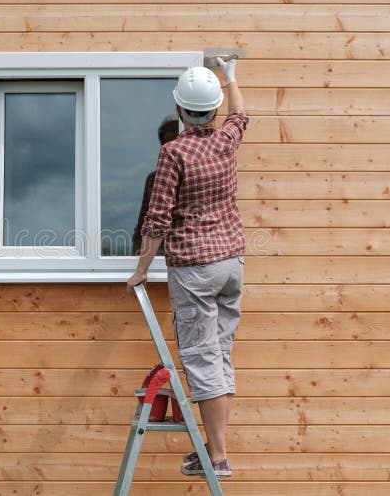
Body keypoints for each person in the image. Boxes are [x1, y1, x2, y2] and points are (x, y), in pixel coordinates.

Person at [127, 57, 247, 478]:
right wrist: (230, 75)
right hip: (231, 263)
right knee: (219, 355)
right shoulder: (225, 141)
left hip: (196, 268)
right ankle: (215, 449)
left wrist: (142, 268)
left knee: (201, 357)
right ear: (213, 109)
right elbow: (241, 115)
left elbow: (157, 219)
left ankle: (217, 457)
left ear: (179, 110)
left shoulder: (173, 153)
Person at [132, 116, 179, 256]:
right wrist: (136, 251)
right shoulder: (153, 179)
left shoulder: (194, 174)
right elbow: (144, 217)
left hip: (185, 249)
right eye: (168, 143)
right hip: (157, 250)